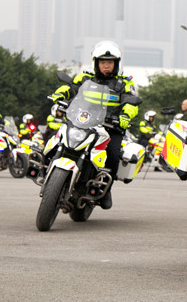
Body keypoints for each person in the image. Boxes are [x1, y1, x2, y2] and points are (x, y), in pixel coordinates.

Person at [51, 40, 138, 209]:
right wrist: (59, 94)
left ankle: (106, 190)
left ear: (116, 64)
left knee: (113, 155)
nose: (106, 66)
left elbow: (130, 102)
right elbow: (71, 88)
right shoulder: (85, 78)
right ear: (96, 63)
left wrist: (126, 114)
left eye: (110, 62)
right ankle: (48, 168)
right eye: (103, 62)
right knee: (57, 139)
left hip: (110, 127)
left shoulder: (124, 83)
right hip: (82, 121)